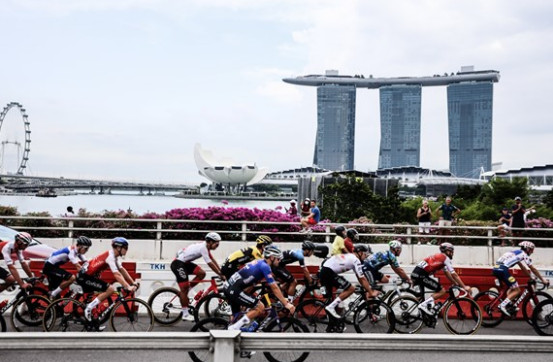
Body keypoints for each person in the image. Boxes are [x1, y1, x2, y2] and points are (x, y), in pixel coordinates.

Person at [225, 245, 295, 331]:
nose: (279, 261)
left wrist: (282, 299)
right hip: (234, 289)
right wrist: (286, 304)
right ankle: (234, 328)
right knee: (260, 307)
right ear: (272, 257)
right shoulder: (265, 266)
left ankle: (232, 329)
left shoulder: (260, 262)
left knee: (237, 317)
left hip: (231, 287)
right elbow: (274, 287)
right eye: (278, 259)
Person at [77, 237, 139, 321]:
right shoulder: (110, 257)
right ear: (118, 247)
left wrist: (133, 282)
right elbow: (117, 274)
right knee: (110, 289)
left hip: (87, 276)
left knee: (102, 292)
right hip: (85, 277)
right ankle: (89, 307)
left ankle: (94, 323)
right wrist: (128, 286)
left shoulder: (113, 256)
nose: (126, 250)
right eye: (125, 248)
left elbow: (122, 270)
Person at [171, 232, 225, 320]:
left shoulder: (206, 247)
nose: (217, 246)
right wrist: (219, 274)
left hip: (185, 263)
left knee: (202, 274)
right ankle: (185, 314)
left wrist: (221, 271)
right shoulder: (203, 248)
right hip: (178, 264)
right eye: (217, 244)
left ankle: (186, 290)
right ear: (210, 242)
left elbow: (212, 259)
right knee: (184, 289)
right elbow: (210, 263)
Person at [320, 244, 379, 319]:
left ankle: (332, 324)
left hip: (325, 271)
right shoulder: (356, 260)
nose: (365, 257)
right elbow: (362, 279)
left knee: (330, 298)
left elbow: (360, 277)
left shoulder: (351, 257)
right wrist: (371, 292)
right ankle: (331, 307)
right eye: (365, 254)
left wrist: (366, 287)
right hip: (328, 272)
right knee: (351, 289)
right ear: (360, 252)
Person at [411, 242, 471, 315]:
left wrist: (455, 283)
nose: (452, 253)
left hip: (415, 274)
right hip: (421, 275)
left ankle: (420, 316)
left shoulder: (440, 257)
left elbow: (447, 273)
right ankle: (424, 305)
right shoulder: (445, 258)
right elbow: (454, 274)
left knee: (421, 298)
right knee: (441, 291)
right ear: (448, 251)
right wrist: (464, 286)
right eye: (452, 251)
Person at [492, 241, 550, 316]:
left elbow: (522, 267)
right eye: (532, 250)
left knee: (511, 288)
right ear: (527, 249)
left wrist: (530, 277)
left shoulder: (515, 253)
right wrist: (543, 280)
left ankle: (509, 304)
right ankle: (502, 305)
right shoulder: (523, 254)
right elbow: (533, 268)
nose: (532, 252)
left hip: (496, 269)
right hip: (503, 270)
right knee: (517, 290)